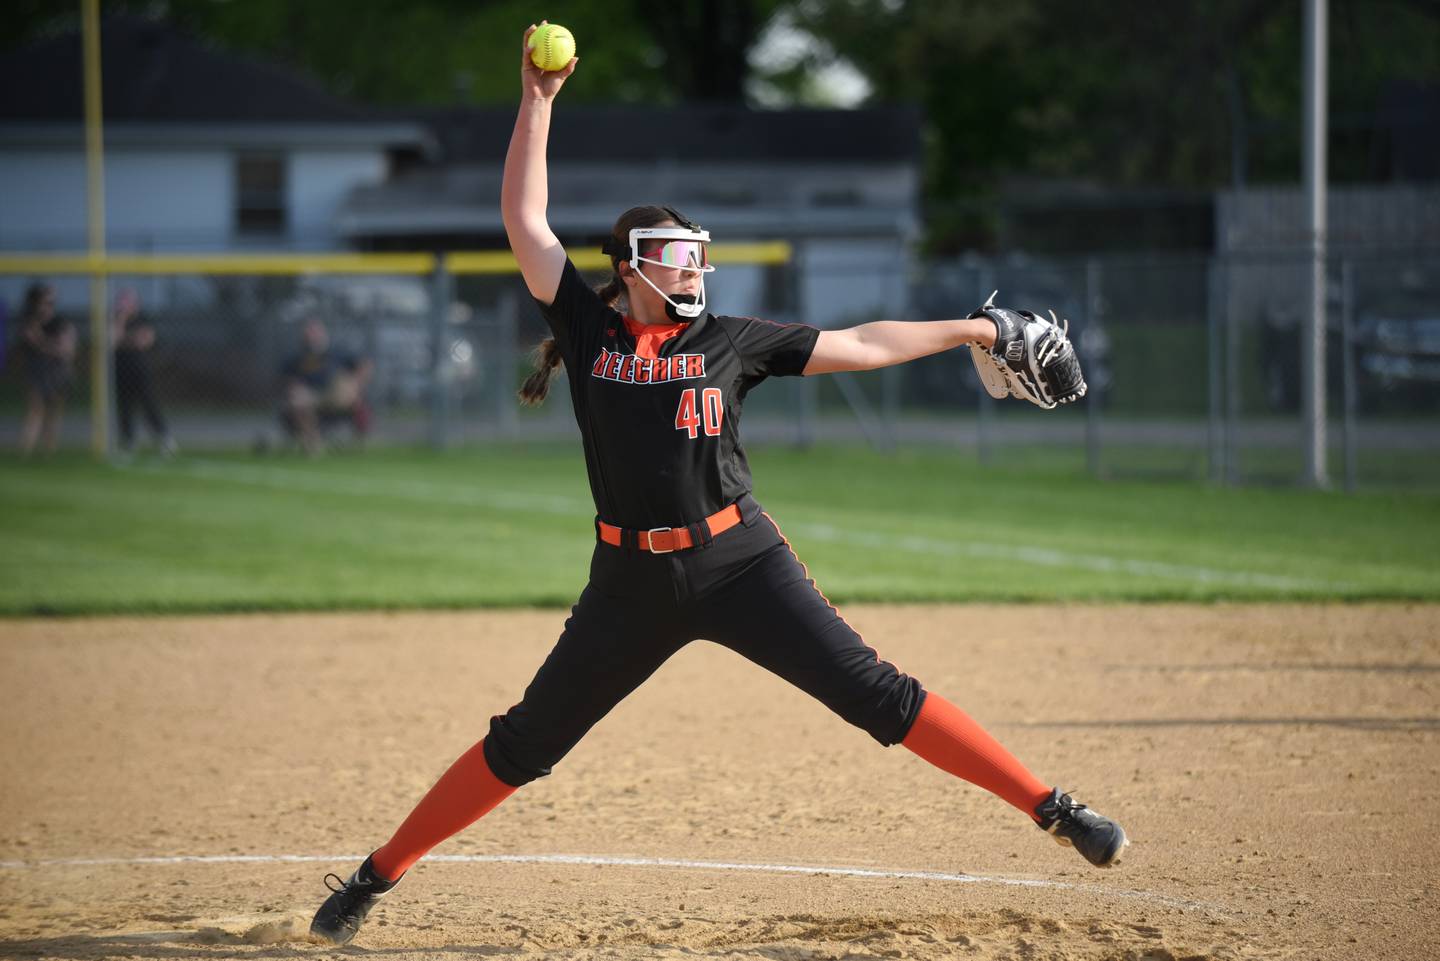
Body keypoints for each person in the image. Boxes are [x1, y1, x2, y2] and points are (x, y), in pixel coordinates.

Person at [310, 24, 1124, 947]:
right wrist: (536, 102)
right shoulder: (590, 331)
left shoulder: (728, 341)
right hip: (629, 585)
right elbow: (526, 224)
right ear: (630, 267)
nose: (691, 269)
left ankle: (1054, 807)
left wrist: (974, 332)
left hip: (741, 561)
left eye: (697, 255)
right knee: (523, 744)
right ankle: (374, 877)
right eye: (674, 255)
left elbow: (863, 342)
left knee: (879, 695)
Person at [279, 317, 372, 454]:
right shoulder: (298, 357)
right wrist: (295, 388)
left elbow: (365, 366)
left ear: (323, 334)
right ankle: (313, 444)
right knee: (298, 399)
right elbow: (287, 378)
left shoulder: (338, 351)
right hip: (313, 396)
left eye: (315, 333)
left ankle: (357, 442)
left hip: (337, 396)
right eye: (308, 334)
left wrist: (356, 385)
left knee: (342, 380)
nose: (312, 337)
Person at [111, 287, 177, 457]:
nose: (125, 306)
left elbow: (144, 341)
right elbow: (113, 340)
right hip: (120, 370)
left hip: (139, 370)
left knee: (149, 405)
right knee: (124, 408)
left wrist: (126, 339)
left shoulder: (143, 319)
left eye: (129, 303)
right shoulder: (116, 321)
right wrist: (123, 324)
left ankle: (164, 438)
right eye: (123, 303)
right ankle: (128, 442)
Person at [16, 282, 76, 456]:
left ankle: (50, 451)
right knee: (35, 409)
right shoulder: (29, 320)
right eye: (46, 301)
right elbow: (34, 341)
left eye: (51, 302)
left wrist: (48, 345)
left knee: (55, 411)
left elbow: (67, 349)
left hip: (57, 371)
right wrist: (53, 346)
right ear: (37, 302)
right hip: (37, 369)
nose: (49, 305)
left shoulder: (60, 321)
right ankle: (25, 451)